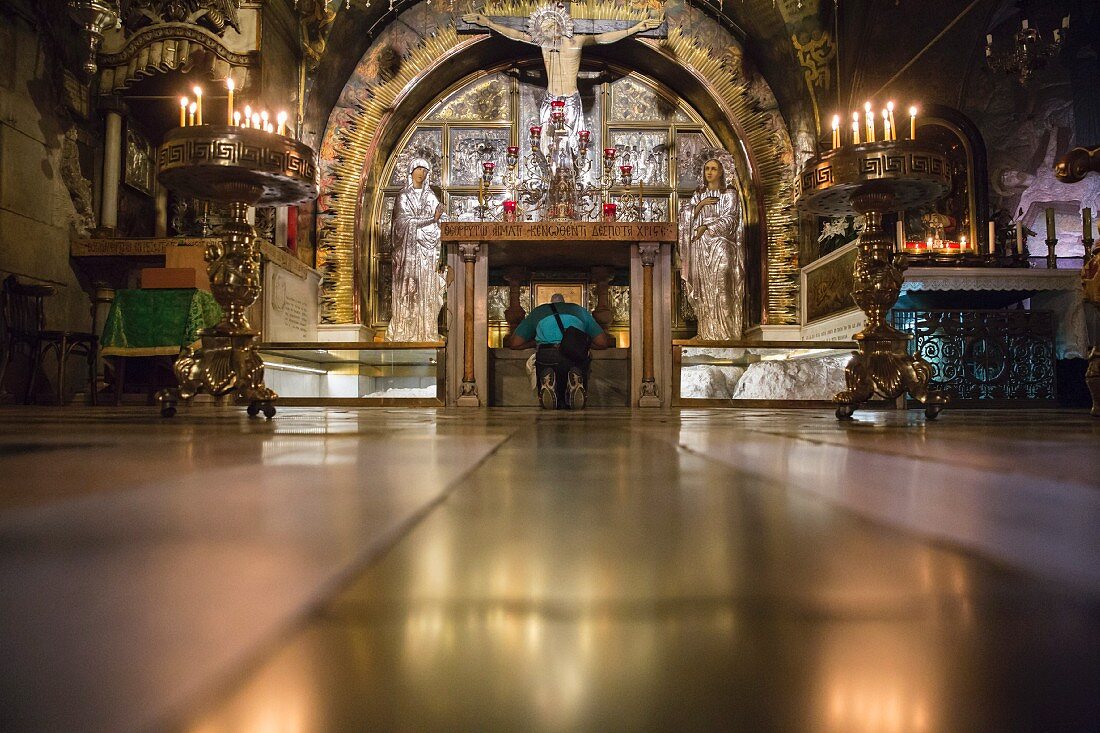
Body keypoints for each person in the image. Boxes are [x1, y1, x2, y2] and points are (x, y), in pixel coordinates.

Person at [463, 6, 661, 155]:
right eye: (544, 28)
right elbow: (515, 35)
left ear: (559, 24)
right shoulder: (543, 44)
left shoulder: (576, 41)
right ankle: (552, 177)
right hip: (551, 99)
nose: (547, 32)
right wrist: (488, 23)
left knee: (573, 147)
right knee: (547, 146)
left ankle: (569, 177)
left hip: (572, 100)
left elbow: (604, 38)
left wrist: (635, 28)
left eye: (550, 27)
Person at [677, 157, 744, 341]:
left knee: (723, 287)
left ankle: (727, 335)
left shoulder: (730, 194)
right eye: (707, 168)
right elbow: (685, 220)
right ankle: (707, 333)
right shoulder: (699, 195)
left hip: (722, 246)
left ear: (721, 172)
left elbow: (731, 220)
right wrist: (700, 205)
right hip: (701, 248)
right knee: (705, 291)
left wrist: (707, 227)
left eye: (714, 169)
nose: (709, 172)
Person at [508, 293, 610, 409]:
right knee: (579, 366)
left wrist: (534, 342)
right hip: (574, 355)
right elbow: (602, 342)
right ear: (564, 301)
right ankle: (575, 381)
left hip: (547, 354)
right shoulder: (579, 311)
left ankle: (547, 383)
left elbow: (515, 343)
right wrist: (583, 343)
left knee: (545, 366)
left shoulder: (539, 312)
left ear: (551, 302)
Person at [385, 158, 446, 342]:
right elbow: (402, 223)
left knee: (426, 292)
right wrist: (431, 220)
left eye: (425, 170)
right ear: (411, 171)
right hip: (408, 255)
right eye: (418, 169)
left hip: (427, 255)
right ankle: (404, 332)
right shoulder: (403, 196)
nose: (422, 173)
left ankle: (426, 332)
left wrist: (440, 220)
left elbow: (441, 217)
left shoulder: (429, 196)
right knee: (409, 291)